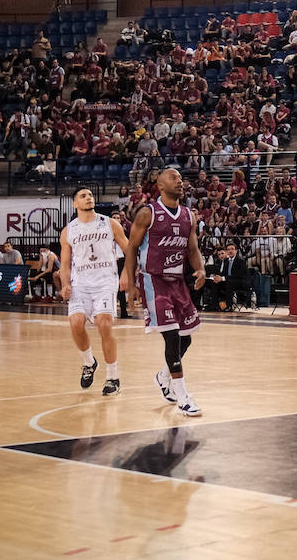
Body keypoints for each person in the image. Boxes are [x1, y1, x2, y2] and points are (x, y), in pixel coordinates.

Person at [124, 167, 207, 417]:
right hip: (154, 281)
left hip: (178, 282)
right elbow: (131, 248)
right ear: (160, 185)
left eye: (181, 179)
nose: (180, 182)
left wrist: (201, 269)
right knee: (171, 338)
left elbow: (192, 249)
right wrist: (131, 285)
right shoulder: (148, 214)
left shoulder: (187, 216)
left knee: (186, 338)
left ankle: (163, 375)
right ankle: (183, 397)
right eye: (174, 178)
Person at [59, 186, 131, 397]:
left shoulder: (110, 223)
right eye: (83, 196)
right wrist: (65, 284)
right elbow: (64, 264)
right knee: (75, 323)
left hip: (105, 281)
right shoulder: (68, 230)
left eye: (90, 195)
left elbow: (130, 251)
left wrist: (125, 274)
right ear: (75, 204)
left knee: (104, 324)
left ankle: (112, 377)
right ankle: (89, 362)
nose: (88, 198)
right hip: (80, 282)